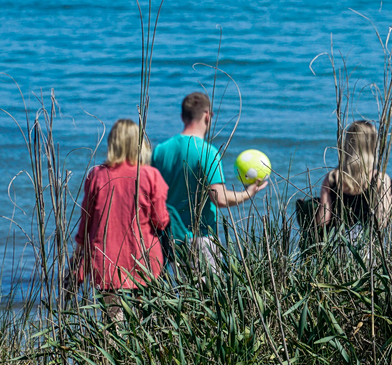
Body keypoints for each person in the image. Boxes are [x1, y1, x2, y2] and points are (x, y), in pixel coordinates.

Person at [151, 92, 266, 273]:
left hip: (167, 237)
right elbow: (219, 199)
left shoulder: (159, 151)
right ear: (207, 115)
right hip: (199, 238)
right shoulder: (208, 152)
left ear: (182, 116)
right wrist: (248, 193)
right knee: (205, 298)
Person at [72, 118, 169, 323]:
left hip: (106, 257)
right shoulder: (150, 175)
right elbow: (160, 221)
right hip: (144, 256)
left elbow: (85, 223)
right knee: (145, 320)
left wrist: (78, 259)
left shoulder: (97, 175)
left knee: (112, 321)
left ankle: (114, 353)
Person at [315, 120, 392, 232]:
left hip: (338, 242)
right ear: (373, 145)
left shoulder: (333, 177)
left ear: (348, 144)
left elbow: (323, 220)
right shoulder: (380, 179)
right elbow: (381, 222)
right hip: (367, 244)